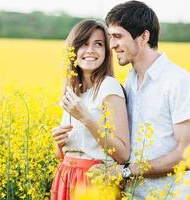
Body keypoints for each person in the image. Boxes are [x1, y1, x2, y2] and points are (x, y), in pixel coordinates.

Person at [101, 1, 190, 199]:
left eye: (118, 36)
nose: (111, 45)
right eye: (110, 37)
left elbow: (188, 155)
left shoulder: (178, 81)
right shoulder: (128, 81)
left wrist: (127, 171)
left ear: (144, 36)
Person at [50, 19, 130, 200]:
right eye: (84, 44)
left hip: (94, 181)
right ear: (73, 50)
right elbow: (66, 154)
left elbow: (123, 154)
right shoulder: (73, 91)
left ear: (106, 52)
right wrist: (59, 144)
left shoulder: (109, 87)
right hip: (66, 178)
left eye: (99, 44)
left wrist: (86, 118)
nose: (90, 51)